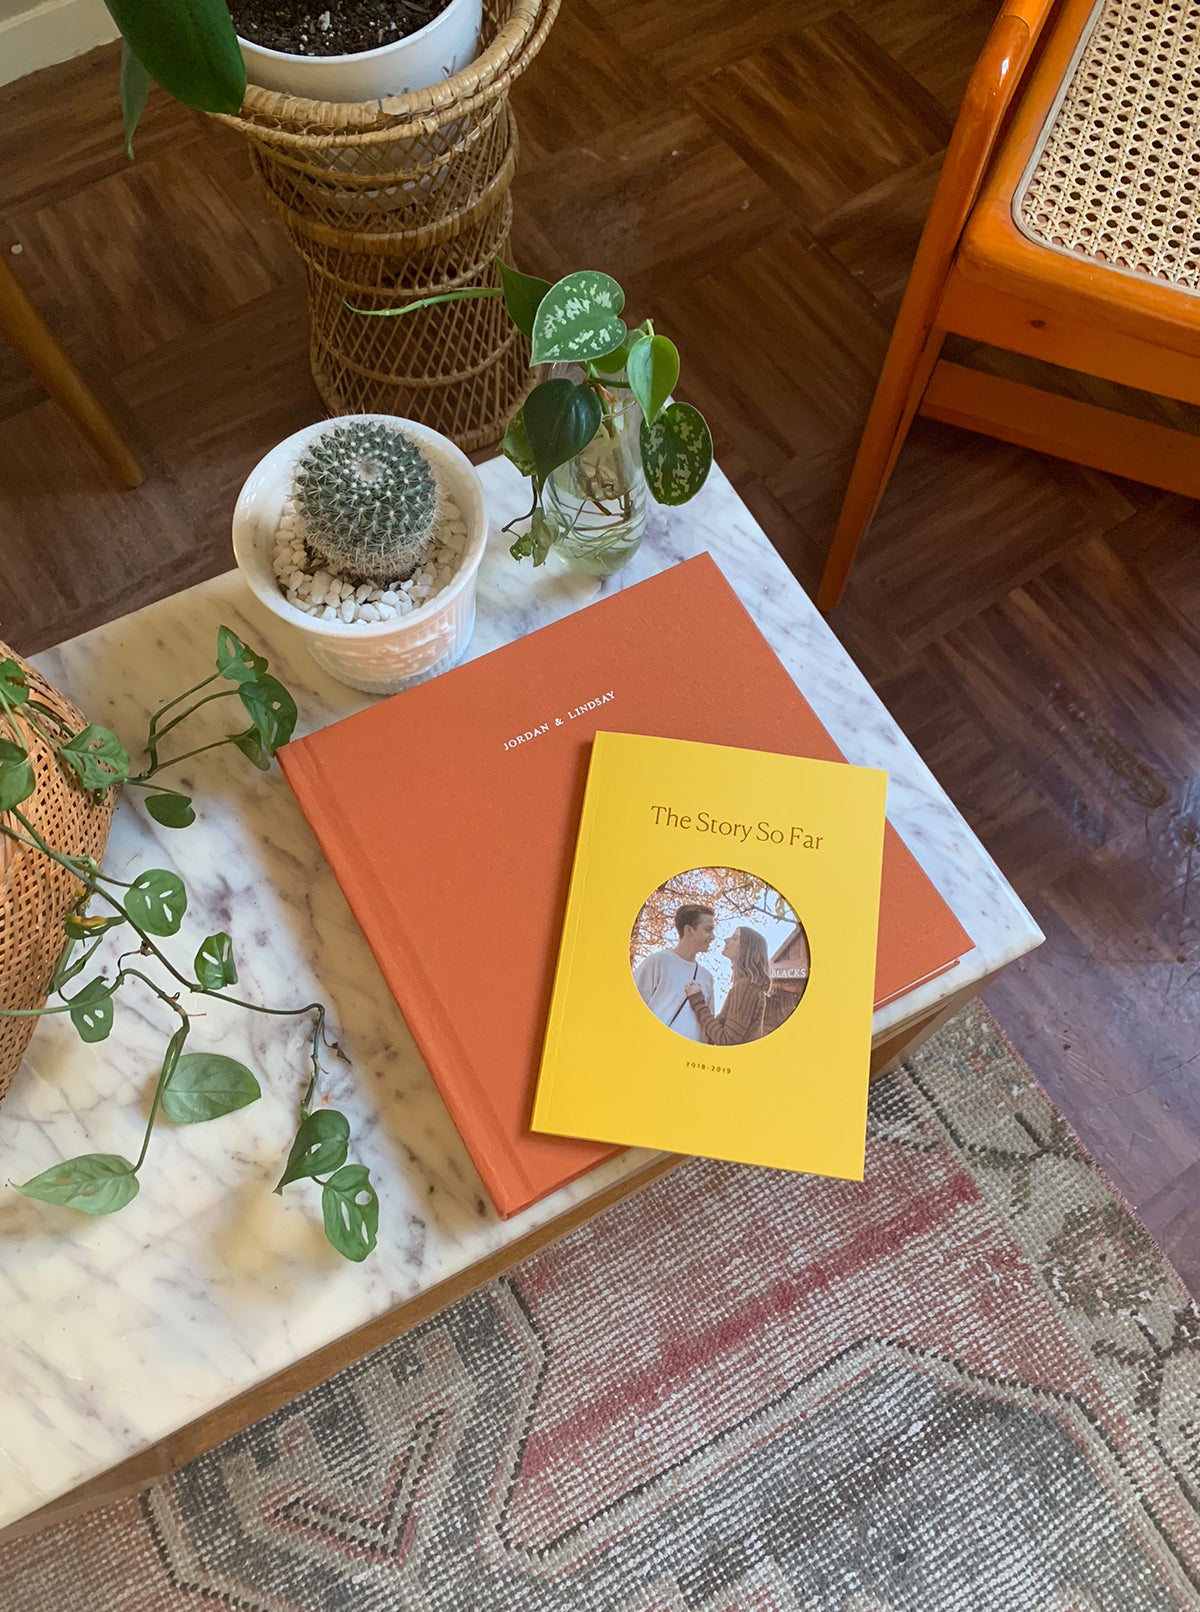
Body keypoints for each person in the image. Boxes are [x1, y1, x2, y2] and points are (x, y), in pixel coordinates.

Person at [633, 904, 716, 1040]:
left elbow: (707, 1029)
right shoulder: (657, 962)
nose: (712, 937)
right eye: (708, 930)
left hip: (688, 1057)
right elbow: (633, 1008)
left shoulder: (706, 978)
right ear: (689, 930)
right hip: (653, 1048)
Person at [686, 926, 770, 1046]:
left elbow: (726, 1041)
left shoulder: (746, 987)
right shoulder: (747, 985)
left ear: (747, 949)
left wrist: (698, 1001)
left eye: (735, 938)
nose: (726, 940)